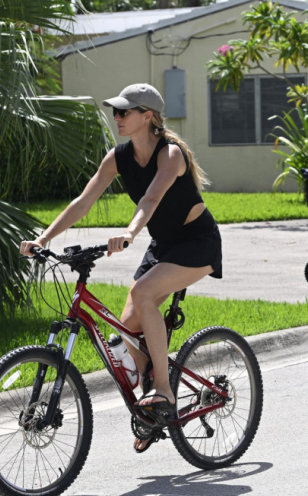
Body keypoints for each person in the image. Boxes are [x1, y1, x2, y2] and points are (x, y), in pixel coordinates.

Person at [20, 83, 222, 453]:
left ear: (148, 117)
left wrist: (130, 232)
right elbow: (83, 201)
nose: (118, 117)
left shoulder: (171, 154)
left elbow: (151, 197)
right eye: (115, 111)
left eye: (125, 112)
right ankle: (151, 406)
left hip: (197, 242)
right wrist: (43, 239)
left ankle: (164, 391)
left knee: (143, 295)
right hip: (163, 245)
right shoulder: (117, 157)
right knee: (125, 331)